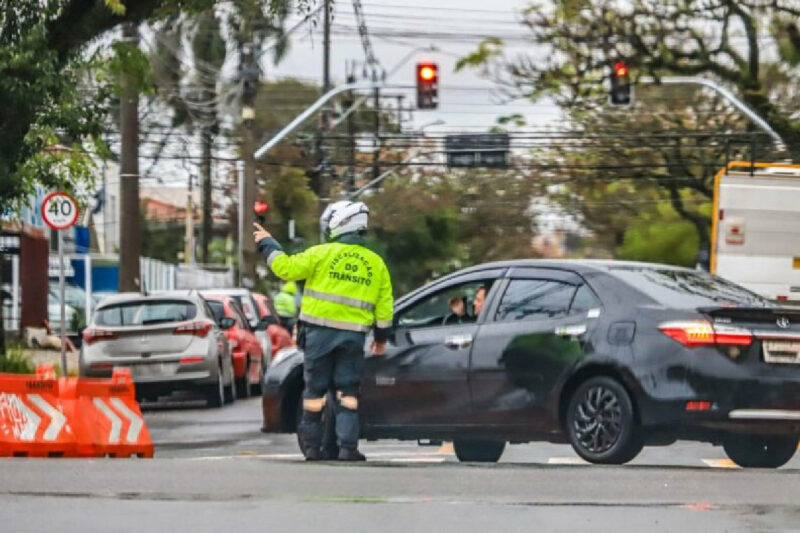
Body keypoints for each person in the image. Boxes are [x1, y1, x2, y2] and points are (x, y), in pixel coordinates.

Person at [253, 200, 393, 462]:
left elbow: (285, 268)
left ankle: (313, 449)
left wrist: (268, 243)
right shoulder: (376, 264)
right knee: (348, 394)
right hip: (353, 338)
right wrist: (382, 340)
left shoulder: (321, 253)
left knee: (314, 394)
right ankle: (348, 449)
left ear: (339, 224)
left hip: (318, 336)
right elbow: (384, 309)